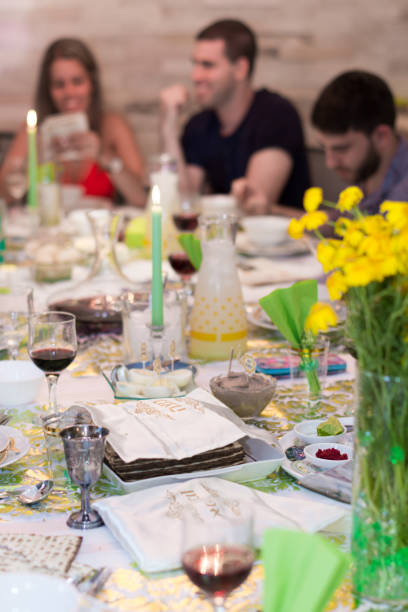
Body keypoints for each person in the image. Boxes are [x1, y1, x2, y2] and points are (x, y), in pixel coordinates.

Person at [160, 19, 309, 216]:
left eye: (207, 65)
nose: (195, 76)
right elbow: (184, 204)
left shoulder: (276, 115)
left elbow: (253, 208)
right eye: (195, 64)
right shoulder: (199, 124)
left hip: (288, 243)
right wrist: (168, 128)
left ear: (240, 69)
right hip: (225, 240)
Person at [0, 38, 146, 207]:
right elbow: (3, 197)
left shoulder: (112, 125)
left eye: (77, 81)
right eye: (59, 84)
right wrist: (32, 162)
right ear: (48, 90)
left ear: (92, 84)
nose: (69, 92)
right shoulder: (33, 130)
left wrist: (104, 155)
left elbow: (141, 199)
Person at [311, 70, 408, 214]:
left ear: (381, 136)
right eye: (324, 148)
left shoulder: (402, 195)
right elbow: (338, 221)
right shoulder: (366, 172)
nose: (330, 163)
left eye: (341, 149)